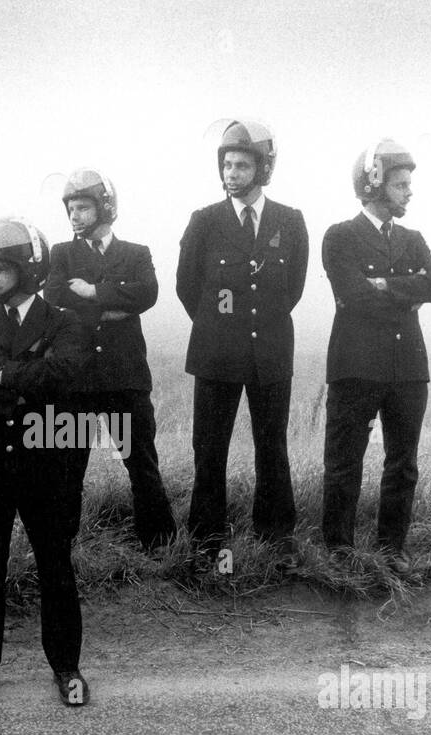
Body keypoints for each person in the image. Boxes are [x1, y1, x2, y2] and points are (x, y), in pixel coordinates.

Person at [0, 217, 89, 707]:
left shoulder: (64, 322)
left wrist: (1, 375)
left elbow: (64, 375)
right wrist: (21, 388)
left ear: (27, 272)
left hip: (47, 467)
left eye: (1, 268)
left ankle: (66, 666)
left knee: (56, 568)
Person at [176, 118, 309, 562]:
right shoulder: (205, 221)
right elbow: (188, 287)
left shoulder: (289, 222)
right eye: (227, 165)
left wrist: (258, 325)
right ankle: (208, 538)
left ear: (263, 168)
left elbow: (292, 290)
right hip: (216, 354)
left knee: (272, 446)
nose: (231, 173)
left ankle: (276, 533)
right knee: (210, 448)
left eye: (242, 165)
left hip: (270, 353)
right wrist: (220, 326)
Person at [320, 139, 431, 573]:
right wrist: (406, 289)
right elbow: (353, 295)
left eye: (409, 184)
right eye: (400, 185)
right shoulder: (340, 236)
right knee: (344, 462)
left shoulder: (413, 238)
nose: (409, 192)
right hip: (356, 366)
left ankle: (393, 550)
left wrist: (384, 286)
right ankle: (339, 550)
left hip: (408, 368)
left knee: (403, 464)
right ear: (374, 185)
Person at [42, 168, 177, 550]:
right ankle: (59, 547)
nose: (75, 216)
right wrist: (110, 305)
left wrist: (90, 290)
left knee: (142, 463)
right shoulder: (62, 253)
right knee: (68, 467)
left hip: (126, 378)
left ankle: (161, 545)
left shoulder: (136, 253)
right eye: (70, 208)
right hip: (77, 381)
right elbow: (54, 297)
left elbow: (147, 293)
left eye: (82, 207)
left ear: (104, 207)